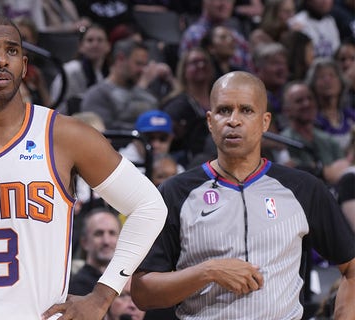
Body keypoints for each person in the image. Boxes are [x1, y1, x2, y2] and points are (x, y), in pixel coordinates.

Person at [0, 13, 167, 320]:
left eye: (12, 51)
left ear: (25, 66)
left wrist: (104, 294)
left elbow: (149, 207)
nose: (2, 60)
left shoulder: (65, 136)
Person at [130, 71, 355, 319]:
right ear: (210, 120)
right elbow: (142, 293)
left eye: (246, 110)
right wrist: (208, 271)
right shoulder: (175, 192)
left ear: (265, 121)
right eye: (224, 110)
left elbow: (351, 268)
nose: (233, 120)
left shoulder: (304, 189)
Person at [279, 81, 350, 185]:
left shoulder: (328, 139)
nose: (307, 104)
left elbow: (345, 170)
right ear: (287, 110)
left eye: (310, 98)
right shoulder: (282, 142)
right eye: (299, 101)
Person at [80, 38, 158, 131]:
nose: (143, 70)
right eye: (138, 64)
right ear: (120, 59)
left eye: (145, 65)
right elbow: (106, 132)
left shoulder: (146, 91)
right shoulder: (98, 94)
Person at [69, 208, 122, 296]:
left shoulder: (128, 283)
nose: (106, 241)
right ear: (84, 242)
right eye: (99, 234)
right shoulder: (76, 289)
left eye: (112, 233)